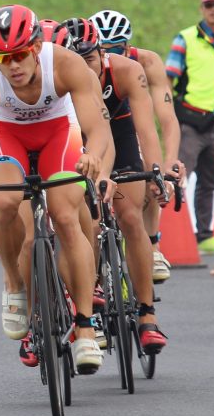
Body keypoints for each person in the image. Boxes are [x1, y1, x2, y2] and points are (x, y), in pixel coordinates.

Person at [0, 5, 115, 375]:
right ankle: (14, 283)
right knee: (6, 201)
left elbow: (99, 128)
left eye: (20, 54)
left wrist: (92, 155)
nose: (12, 65)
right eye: (3, 57)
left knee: (65, 216)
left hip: (59, 133)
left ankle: (86, 328)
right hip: (7, 136)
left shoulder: (66, 64)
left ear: (37, 45)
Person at [63, 17, 169, 353]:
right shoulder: (63, 79)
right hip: (78, 139)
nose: (86, 69)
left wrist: (155, 173)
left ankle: (147, 315)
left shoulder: (125, 70)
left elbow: (146, 129)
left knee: (130, 215)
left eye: (91, 60)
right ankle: (87, 298)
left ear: (102, 54)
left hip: (120, 136)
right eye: (77, 62)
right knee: (88, 222)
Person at [90, 8, 183, 283]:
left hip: (128, 119)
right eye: (103, 49)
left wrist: (169, 162)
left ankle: (152, 244)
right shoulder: (84, 63)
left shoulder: (146, 62)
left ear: (128, 46)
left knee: (148, 167)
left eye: (116, 47)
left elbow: (165, 119)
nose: (110, 55)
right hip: (91, 122)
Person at [165, 0, 214, 254]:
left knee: (209, 181)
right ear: (202, 8)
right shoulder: (185, 39)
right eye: (209, 5)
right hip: (191, 120)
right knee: (178, 178)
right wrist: (171, 118)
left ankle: (204, 234)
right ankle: (168, 234)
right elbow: (168, 82)